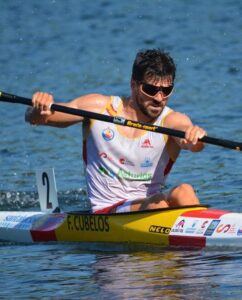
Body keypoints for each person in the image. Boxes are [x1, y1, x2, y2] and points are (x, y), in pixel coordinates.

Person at [25, 49, 207, 214]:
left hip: (150, 205)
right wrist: (38, 108)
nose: (159, 98)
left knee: (185, 190)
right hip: (107, 210)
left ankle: (205, 239)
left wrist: (195, 139)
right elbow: (39, 118)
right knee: (158, 203)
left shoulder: (172, 120)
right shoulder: (98, 108)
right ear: (134, 85)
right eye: (151, 89)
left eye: (166, 90)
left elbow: (191, 142)